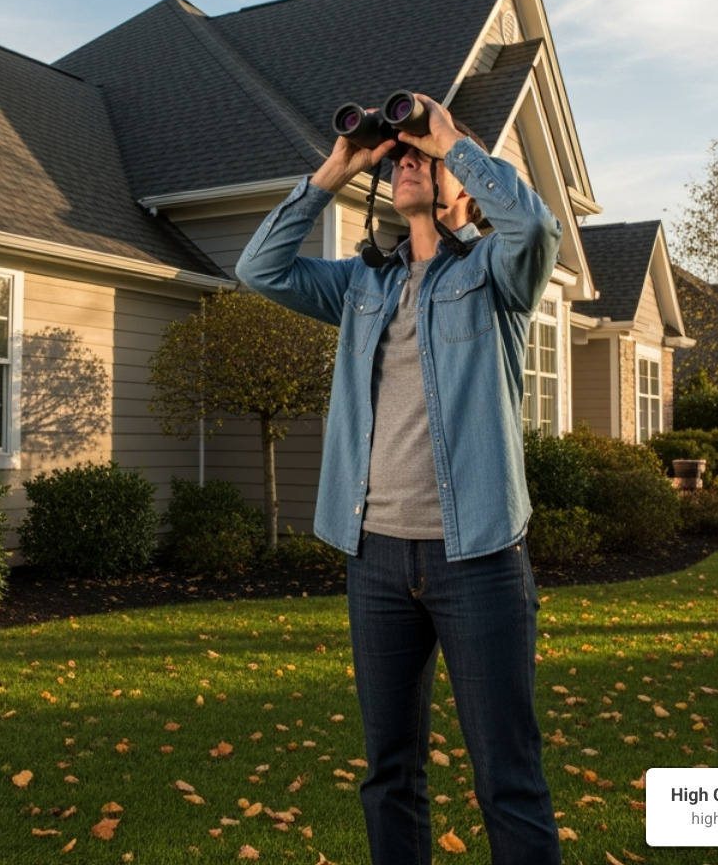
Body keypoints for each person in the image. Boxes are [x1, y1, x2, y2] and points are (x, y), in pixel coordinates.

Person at [234, 92, 562, 865]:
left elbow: (536, 225)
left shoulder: (496, 272)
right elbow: (258, 269)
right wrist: (338, 166)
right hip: (376, 559)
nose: (410, 160)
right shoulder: (360, 286)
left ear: (460, 189)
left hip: (476, 556)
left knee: (506, 780)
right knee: (389, 775)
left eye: (425, 157)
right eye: (404, 155)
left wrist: (453, 141)